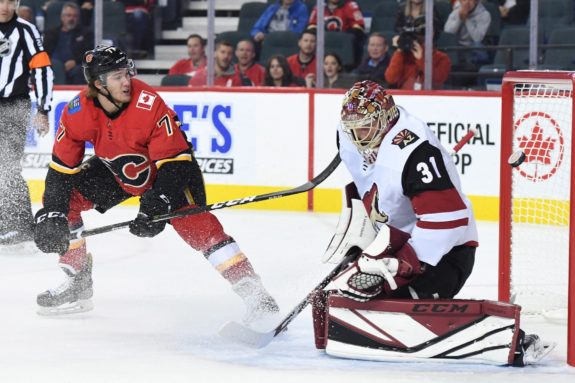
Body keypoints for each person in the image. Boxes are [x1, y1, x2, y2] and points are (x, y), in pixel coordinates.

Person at [32, 45, 279, 322]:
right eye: (116, 76)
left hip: (169, 175)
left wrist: (157, 202)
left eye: (126, 73)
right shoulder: (77, 112)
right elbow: (61, 171)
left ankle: (254, 293)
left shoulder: (148, 103)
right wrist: (52, 212)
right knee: (64, 202)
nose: (126, 81)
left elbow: (176, 163)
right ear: (98, 84)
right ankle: (77, 280)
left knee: (200, 229)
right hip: (119, 171)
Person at [314, 80, 553, 366]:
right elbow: (365, 182)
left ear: (385, 118)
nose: (357, 135)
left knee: (398, 302)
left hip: (448, 254)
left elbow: (448, 220)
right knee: (342, 296)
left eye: (364, 126)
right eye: (352, 127)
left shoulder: (415, 152)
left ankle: (511, 338)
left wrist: (401, 264)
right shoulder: (350, 133)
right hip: (392, 240)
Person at [0, 0, 52, 246]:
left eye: (10, 1)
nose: (4, 6)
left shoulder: (26, 30)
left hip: (13, 106)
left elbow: (43, 70)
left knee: (7, 166)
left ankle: (19, 225)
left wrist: (43, 109)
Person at [385, 16, 451, 90]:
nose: (422, 35)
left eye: (426, 31)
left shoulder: (442, 58)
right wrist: (399, 50)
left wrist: (421, 59)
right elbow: (391, 78)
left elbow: (438, 79)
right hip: (404, 97)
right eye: (420, 31)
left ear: (433, 33)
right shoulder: (403, 55)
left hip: (430, 98)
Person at [43, 2, 93, 84]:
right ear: (62, 17)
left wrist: (75, 61)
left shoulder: (85, 33)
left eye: (75, 16)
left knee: (80, 71)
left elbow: (89, 53)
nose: (72, 19)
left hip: (75, 66)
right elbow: (44, 53)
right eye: (69, 15)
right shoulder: (51, 33)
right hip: (54, 66)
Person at [307, 0, 365, 66]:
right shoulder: (320, 5)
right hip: (323, 45)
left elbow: (359, 28)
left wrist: (344, 37)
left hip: (343, 47)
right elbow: (311, 26)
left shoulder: (350, 5)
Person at [444, 0, 491, 69]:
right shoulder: (455, 13)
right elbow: (447, 34)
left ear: (476, 1)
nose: (467, 2)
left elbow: (477, 38)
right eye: (464, 0)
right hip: (458, 48)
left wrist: (466, 20)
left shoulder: (485, 15)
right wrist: (459, 19)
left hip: (474, 48)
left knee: (477, 46)